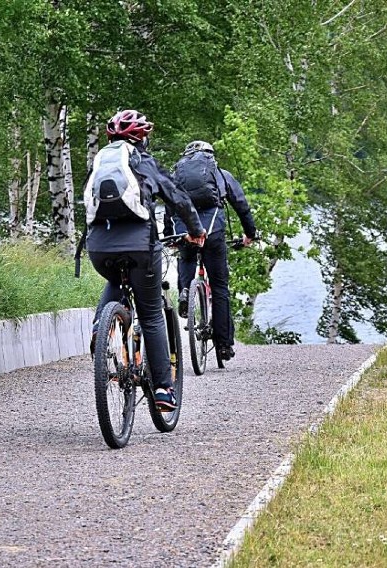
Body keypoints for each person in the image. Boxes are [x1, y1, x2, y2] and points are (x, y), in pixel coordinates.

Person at [84, 110, 205, 412]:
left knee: (114, 280)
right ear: (142, 137)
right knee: (152, 314)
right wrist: (196, 231)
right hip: (140, 247)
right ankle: (164, 389)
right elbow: (176, 196)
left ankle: (102, 330)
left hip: (99, 248)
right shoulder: (143, 162)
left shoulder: (100, 163)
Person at [165, 140, 257, 362]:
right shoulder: (220, 174)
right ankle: (224, 346)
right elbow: (241, 205)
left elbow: (170, 206)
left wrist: (172, 235)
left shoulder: (177, 175)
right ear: (210, 156)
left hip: (184, 229)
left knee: (186, 255)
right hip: (213, 231)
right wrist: (250, 234)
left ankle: (186, 292)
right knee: (219, 287)